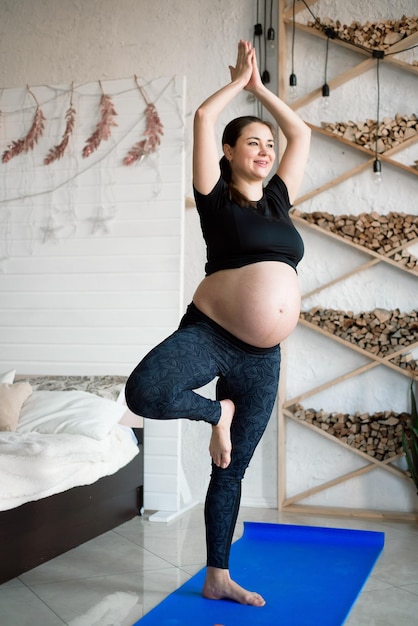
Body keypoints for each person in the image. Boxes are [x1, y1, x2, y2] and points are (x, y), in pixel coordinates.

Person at [125, 39, 311, 607]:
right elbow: (206, 116)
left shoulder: (279, 200)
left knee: (231, 469)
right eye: (252, 142)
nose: (265, 149)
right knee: (146, 390)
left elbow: (300, 134)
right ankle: (216, 412)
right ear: (228, 152)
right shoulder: (215, 199)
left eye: (267, 145)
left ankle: (217, 575)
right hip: (210, 335)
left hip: (263, 357)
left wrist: (263, 93)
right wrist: (238, 85)